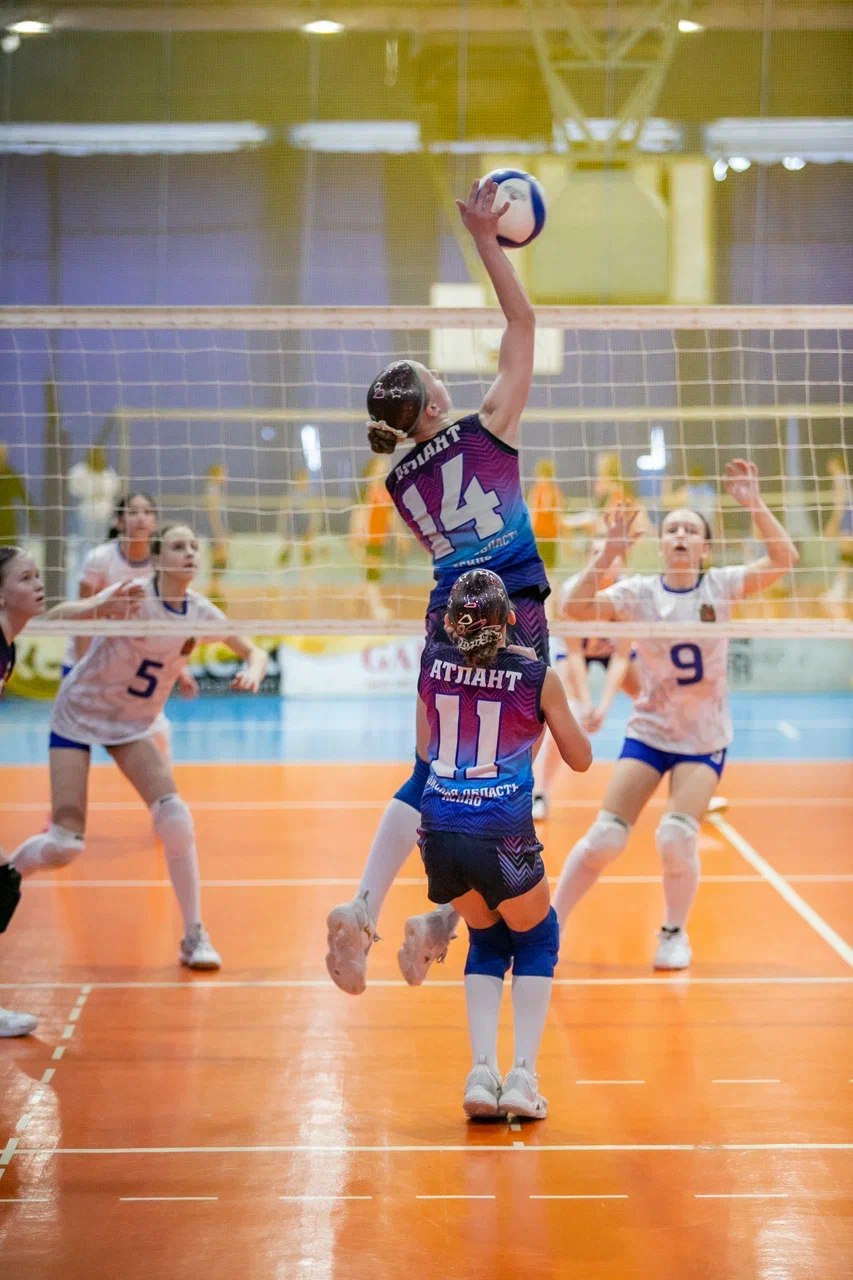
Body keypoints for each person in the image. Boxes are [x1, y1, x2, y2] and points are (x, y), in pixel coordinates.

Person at [325, 176, 551, 995]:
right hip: (511, 611)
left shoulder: (397, 481)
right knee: (502, 778)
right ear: (432, 399)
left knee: (432, 772)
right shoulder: (488, 430)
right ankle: (445, 920)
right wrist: (487, 244)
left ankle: (369, 903)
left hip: (444, 614)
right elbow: (522, 325)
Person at [553, 460, 799, 970]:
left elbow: (784, 559)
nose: (681, 535)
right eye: (672, 529)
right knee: (605, 837)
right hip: (650, 731)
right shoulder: (639, 593)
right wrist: (608, 554)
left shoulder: (721, 586)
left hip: (702, 738)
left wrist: (753, 503)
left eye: (691, 529)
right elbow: (572, 609)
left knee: (676, 835)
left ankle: (672, 933)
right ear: (661, 545)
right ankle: (548, 926)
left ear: (705, 548)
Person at [9, 525, 268, 971]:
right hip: (80, 711)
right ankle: (7, 875)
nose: (190, 553)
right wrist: (97, 606)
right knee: (65, 844)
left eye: (194, 546)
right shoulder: (132, 595)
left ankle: (193, 936)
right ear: (158, 558)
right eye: (178, 546)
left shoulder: (199, 611)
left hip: (132, 725)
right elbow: (59, 616)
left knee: (176, 820)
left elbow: (254, 652)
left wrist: (254, 671)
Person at [416, 569, 590, 1118]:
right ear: (512, 619)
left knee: (487, 939)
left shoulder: (430, 663)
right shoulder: (537, 676)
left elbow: (424, 748)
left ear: (450, 624)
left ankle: (480, 1072)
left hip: (438, 831)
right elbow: (581, 760)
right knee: (538, 937)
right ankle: (522, 1078)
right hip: (501, 832)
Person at [0, 544, 144, 1036]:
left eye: (37, 575)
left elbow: (59, 614)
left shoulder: (10, 636)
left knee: (1, 883)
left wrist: (100, 603)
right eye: (25, 578)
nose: (38, 584)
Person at [61, 492, 197, 751]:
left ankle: (160, 777)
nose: (141, 518)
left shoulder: (163, 564)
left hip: (133, 665)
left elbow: (171, 621)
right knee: (75, 738)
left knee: (154, 733)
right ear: (119, 521)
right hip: (88, 658)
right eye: (133, 512)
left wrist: (183, 670)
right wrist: (82, 667)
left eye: (147, 512)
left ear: (155, 522)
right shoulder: (99, 559)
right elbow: (83, 617)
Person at [531, 546, 641, 822]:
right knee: (565, 714)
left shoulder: (628, 593)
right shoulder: (572, 592)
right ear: (587, 561)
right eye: (596, 554)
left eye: (612, 555)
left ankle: (684, 772)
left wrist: (603, 707)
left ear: (622, 562)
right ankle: (540, 792)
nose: (604, 560)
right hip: (576, 651)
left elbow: (621, 656)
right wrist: (587, 703)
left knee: (653, 699)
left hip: (611, 650)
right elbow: (575, 654)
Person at [349, 457, 396, 623]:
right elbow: (358, 513)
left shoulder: (386, 492)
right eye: (380, 467)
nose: (383, 470)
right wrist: (355, 535)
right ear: (372, 470)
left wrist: (399, 536)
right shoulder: (366, 491)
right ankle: (377, 609)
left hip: (380, 539)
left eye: (385, 467)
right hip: (367, 538)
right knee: (373, 574)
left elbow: (390, 516)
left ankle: (354, 596)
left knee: (370, 574)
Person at [66, 447, 122, 587]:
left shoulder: (108, 473)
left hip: (105, 513)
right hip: (87, 512)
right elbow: (74, 488)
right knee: (85, 544)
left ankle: (102, 576)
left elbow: (114, 488)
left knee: (103, 543)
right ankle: (83, 575)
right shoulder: (79, 471)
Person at [822, 454, 852, 618]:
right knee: (847, 556)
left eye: (831, 462)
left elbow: (840, 504)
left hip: (848, 518)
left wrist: (833, 523)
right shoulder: (844, 478)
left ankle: (839, 591)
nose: (829, 465)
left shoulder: (840, 478)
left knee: (845, 555)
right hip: (848, 517)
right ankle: (840, 590)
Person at [526, 458, 563, 572]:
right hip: (543, 533)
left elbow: (532, 513)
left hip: (546, 534)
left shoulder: (540, 490)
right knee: (545, 567)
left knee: (545, 567)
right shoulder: (553, 491)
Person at [204, 464, 229, 609]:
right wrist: (219, 533)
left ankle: (214, 592)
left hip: (216, 531)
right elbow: (213, 514)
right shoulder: (212, 489)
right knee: (220, 560)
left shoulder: (215, 489)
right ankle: (213, 593)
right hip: (214, 532)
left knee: (219, 561)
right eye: (222, 473)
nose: (225, 477)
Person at [0, 444, 38, 543]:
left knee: (9, 548)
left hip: (7, 524)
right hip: (7, 521)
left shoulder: (11, 475)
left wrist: (33, 519)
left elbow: (24, 497)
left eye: (3, 455)